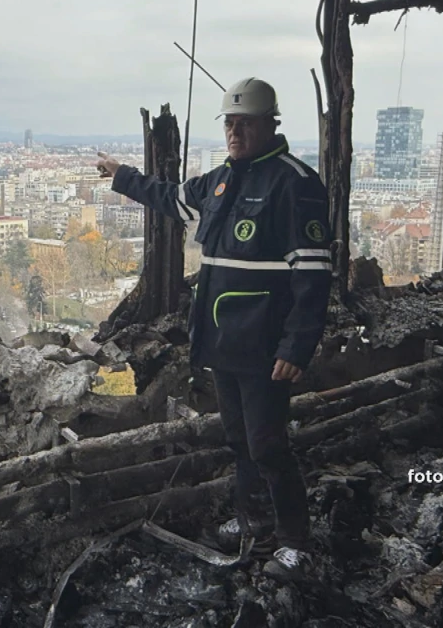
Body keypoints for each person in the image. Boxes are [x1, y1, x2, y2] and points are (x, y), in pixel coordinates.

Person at [96, 77, 332, 579]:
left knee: (268, 443)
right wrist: (123, 176)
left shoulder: (295, 184)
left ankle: (294, 541)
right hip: (224, 338)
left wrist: (297, 346)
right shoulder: (223, 180)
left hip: (266, 344)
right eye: (229, 122)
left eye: (244, 122)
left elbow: (314, 276)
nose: (234, 131)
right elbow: (170, 197)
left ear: (270, 125)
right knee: (238, 439)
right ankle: (251, 522)